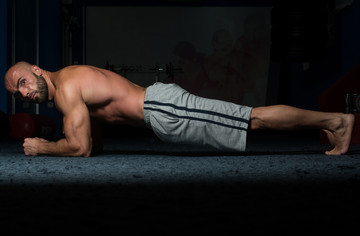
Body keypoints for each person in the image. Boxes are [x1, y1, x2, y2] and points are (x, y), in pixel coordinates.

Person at [4, 61, 355, 157]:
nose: (25, 94)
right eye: (18, 95)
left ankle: (335, 120)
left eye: (22, 82)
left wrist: (44, 147)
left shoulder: (65, 88)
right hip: (161, 113)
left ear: (36, 70)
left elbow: (80, 149)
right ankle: (329, 123)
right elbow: (94, 146)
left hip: (163, 108)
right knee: (251, 120)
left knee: (253, 119)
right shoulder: (69, 86)